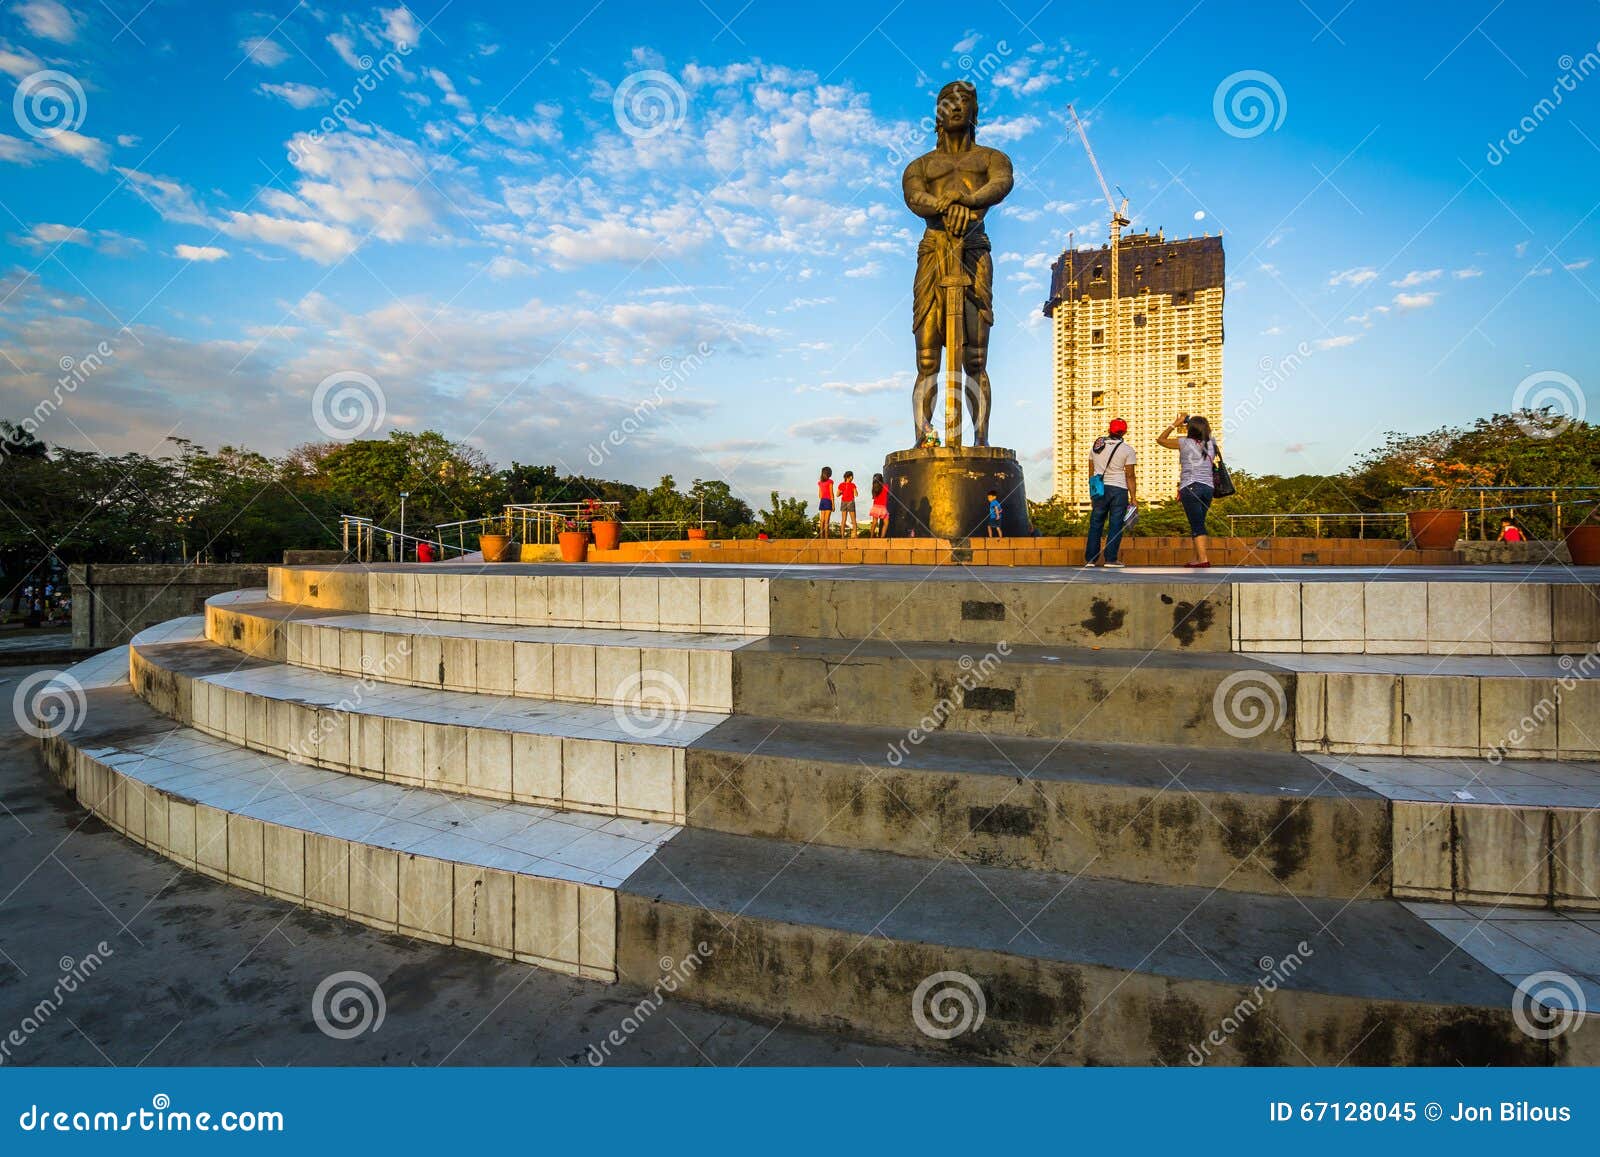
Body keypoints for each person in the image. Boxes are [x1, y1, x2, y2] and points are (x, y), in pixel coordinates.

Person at [1157, 412, 1220, 568]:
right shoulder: (1212, 443)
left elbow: (1161, 440)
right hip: (1208, 488)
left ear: (1190, 429)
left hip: (1191, 487)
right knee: (1198, 523)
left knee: (1197, 525)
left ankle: (1203, 560)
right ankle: (1197, 558)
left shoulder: (1184, 442)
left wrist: (1176, 423)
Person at [1085, 417, 1136, 568]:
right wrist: (1133, 497)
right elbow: (1130, 475)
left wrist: (1092, 490)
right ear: (1124, 432)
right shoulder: (1128, 450)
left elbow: (1091, 471)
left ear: (1109, 430)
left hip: (1099, 489)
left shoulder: (1096, 447)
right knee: (1115, 524)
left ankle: (1091, 559)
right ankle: (1110, 559)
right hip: (1119, 489)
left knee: (1095, 523)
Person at [838, 470, 859, 536]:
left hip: (843, 502)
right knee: (853, 520)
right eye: (852, 476)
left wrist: (843, 492)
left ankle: (842, 536)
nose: (852, 478)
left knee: (843, 519)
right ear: (850, 477)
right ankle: (855, 535)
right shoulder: (853, 485)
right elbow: (856, 494)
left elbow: (837, 494)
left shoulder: (841, 484)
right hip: (851, 502)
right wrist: (853, 491)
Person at [817, 466, 835, 538]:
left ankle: (821, 536)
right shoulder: (830, 481)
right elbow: (831, 493)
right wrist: (833, 504)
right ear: (829, 473)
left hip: (822, 501)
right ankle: (826, 537)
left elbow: (820, 495)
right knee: (827, 520)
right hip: (828, 501)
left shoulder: (820, 482)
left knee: (822, 520)